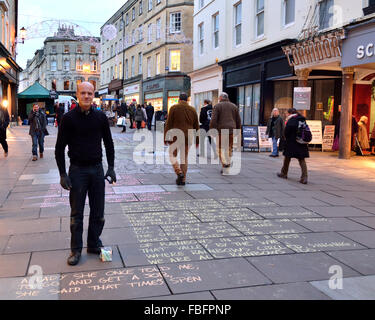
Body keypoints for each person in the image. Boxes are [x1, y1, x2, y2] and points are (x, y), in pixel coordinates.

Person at [55, 82, 116, 266]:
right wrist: (63, 174)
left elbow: (109, 143)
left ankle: (93, 242)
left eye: (90, 93)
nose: (87, 96)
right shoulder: (68, 119)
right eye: (83, 93)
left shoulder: (100, 117)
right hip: (77, 170)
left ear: (93, 95)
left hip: (97, 169)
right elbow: (59, 148)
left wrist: (111, 167)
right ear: (77, 95)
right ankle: (75, 250)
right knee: (77, 214)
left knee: (99, 212)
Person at [164, 93, 200, 186]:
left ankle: (178, 171)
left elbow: (169, 123)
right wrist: (197, 140)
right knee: (184, 158)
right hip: (188, 136)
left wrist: (166, 137)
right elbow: (196, 126)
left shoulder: (173, 108)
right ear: (187, 100)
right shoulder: (192, 109)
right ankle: (183, 180)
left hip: (176, 136)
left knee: (172, 155)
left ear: (179, 99)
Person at [209, 92, 242, 175]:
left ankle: (225, 164)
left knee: (220, 149)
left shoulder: (217, 106)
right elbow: (238, 119)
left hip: (222, 130)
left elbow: (214, 119)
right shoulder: (234, 106)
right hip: (232, 130)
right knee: (229, 148)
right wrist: (238, 130)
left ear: (220, 98)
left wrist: (212, 129)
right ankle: (227, 162)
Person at [277, 108, 309, 184]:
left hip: (292, 142)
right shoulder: (302, 119)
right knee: (301, 160)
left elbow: (287, 132)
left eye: (286, 113)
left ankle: (284, 173)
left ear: (290, 113)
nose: (286, 115)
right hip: (301, 143)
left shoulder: (291, 120)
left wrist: (285, 139)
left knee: (287, 158)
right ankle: (304, 177)